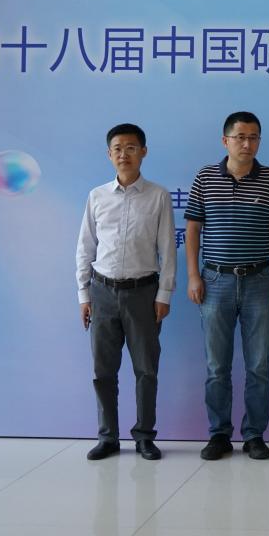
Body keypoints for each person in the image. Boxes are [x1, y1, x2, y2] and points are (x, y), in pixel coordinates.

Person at [184, 112, 269, 461]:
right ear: (225, 140)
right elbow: (193, 230)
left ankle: (254, 434)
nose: (247, 143)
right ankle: (219, 434)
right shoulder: (205, 178)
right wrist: (193, 276)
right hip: (215, 281)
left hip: (261, 281)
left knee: (259, 366)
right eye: (240, 137)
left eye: (254, 137)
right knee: (217, 366)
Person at [76, 123, 176, 461]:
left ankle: (145, 436)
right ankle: (108, 437)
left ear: (143, 152)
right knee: (103, 370)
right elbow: (85, 247)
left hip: (143, 292)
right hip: (102, 291)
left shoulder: (158, 196)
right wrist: (84, 295)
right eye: (117, 148)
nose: (124, 154)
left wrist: (164, 294)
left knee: (146, 370)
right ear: (109, 154)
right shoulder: (97, 196)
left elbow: (167, 249)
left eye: (131, 147)